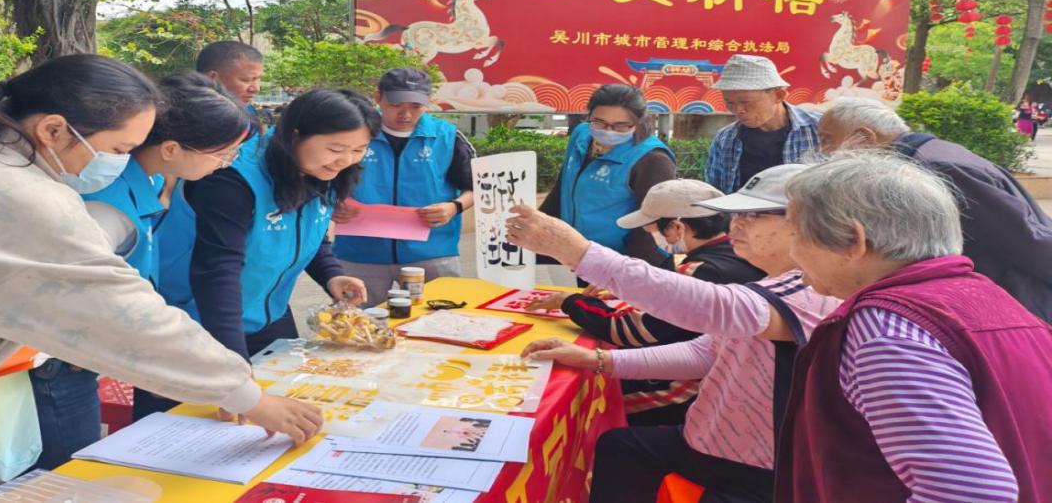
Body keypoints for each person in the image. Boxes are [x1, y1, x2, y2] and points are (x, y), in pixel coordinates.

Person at [0, 55, 322, 502]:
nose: (122, 163)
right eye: (118, 150)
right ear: (52, 130)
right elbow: (125, 316)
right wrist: (249, 397)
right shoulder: (12, 196)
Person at [509, 165, 838, 503]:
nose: (737, 224)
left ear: (805, 223)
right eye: (737, 213)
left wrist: (577, 252)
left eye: (754, 215)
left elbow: (713, 307)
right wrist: (596, 359)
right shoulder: (776, 279)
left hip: (757, 468)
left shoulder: (814, 288)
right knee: (619, 448)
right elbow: (705, 351)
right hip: (709, 441)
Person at [776, 154, 1052, 503]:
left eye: (796, 234)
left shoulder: (885, 330)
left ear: (853, 239)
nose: (792, 252)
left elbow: (971, 492)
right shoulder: (991, 299)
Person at [78, 73, 252, 436]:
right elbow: (91, 295)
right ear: (171, 149)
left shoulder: (153, 179)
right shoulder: (107, 205)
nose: (227, 163)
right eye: (222, 154)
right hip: (70, 353)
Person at [525, 179, 764, 424]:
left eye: (651, 231)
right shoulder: (738, 253)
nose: (652, 237)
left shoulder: (702, 270)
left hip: (690, 390)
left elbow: (632, 331)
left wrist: (570, 301)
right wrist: (627, 290)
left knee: (588, 394)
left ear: (676, 227)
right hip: (721, 372)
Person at [818, 97, 1052, 323]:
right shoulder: (929, 155)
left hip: (1016, 301)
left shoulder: (935, 167)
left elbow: (1023, 238)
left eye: (827, 140)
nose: (824, 151)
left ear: (864, 137)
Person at [188, 88, 375, 360]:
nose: (346, 161)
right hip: (206, 323)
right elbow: (218, 270)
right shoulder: (233, 180)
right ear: (295, 135)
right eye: (335, 149)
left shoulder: (324, 171)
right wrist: (233, 361)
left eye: (359, 150)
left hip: (270, 316)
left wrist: (331, 274)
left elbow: (310, 234)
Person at [332, 68, 475, 305]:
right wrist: (331, 204)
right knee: (357, 320)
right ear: (378, 97)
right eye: (396, 104)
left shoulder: (447, 136)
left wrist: (454, 207)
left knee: (440, 319)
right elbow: (318, 177)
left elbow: (478, 187)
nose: (406, 114)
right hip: (359, 253)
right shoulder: (353, 133)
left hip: (432, 252)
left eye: (416, 106)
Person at [539, 84, 676, 269]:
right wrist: (538, 227)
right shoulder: (582, 135)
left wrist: (625, 273)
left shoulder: (652, 159)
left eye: (621, 126)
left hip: (620, 263)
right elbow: (561, 190)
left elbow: (655, 227)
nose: (608, 131)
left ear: (638, 122)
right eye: (599, 122)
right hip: (573, 254)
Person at [705, 55, 821, 193]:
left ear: (778, 95)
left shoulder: (821, 129)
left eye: (746, 102)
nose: (738, 110)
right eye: (730, 102)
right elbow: (716, 191)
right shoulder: (725, 138)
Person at [196, 40, 265, 113]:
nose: (256, 89)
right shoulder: (192, 115)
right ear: (212, 79)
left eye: (258, 79)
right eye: (246, 79)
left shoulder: (246, 109)